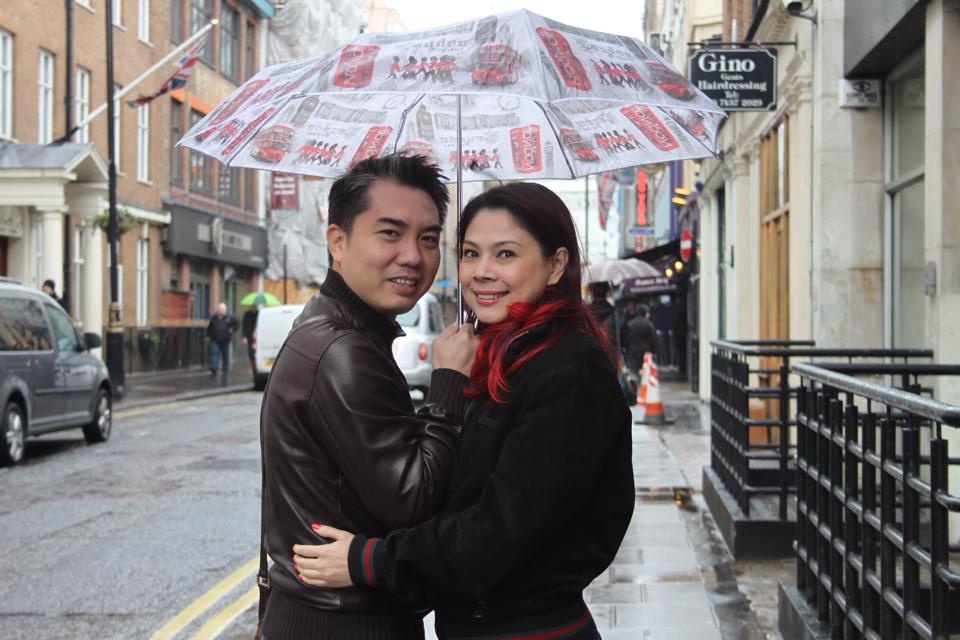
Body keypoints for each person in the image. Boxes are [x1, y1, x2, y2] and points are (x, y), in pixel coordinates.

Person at [292, 182, 635, 640]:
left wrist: (371, 560)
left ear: (556, 265)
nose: (482, 273)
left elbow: (501, 529)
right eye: (471, 254)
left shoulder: (568, 371)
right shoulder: (499, 354)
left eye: (506, 254)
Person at [257, 154, 477, 639]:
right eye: (390, 233)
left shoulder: (328, 323)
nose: (413, 256)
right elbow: (415, 501)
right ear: (337, 242)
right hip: (346, 622)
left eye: (428, 239)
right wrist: (448, 384)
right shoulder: (345, 351)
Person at [206, 302, 239, 379]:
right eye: (219, 309)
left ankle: (225, 368)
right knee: (215, 353)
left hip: (225, 340)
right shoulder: (214, 318)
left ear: (225, 310)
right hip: (215, 339)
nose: (220, 310)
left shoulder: (229, 317)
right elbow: (210, 327)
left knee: (225, 355)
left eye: (222, 309)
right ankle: (214, 368)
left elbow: (237, 323)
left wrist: (232, 329)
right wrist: (208, 336)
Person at [625, 303, 657, 375]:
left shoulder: (629, 324)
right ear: (644, 312)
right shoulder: (648, 324)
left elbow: (625, 339)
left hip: (633, 354)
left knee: (635, 375)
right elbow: (653, 340)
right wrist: (654, 352)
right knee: (646, 375)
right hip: (646, 354)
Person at [241, 304, 260, 375]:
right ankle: (253, 367)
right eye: (253, 306)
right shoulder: (247, 314)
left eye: (255, 306)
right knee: (250, 353)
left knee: (257, 353)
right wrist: (244, 336)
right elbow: (244, 326)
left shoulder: (259, 313)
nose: (254, 307)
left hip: (258, 337)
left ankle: (256, 367)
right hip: (249, 337)